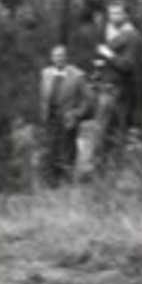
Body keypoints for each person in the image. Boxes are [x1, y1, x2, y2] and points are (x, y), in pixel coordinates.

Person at [90, 0, 142, 172]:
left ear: (127, 15)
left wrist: (108, 54)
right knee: (104, 129)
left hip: (119, 89)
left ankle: (109, 168)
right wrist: (99, 67)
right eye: (111, 13)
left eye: (118, 13)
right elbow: (108, 62)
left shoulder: (133, 36)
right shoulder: (112, 35)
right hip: (106, 86)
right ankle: (102, 169)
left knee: (112, 130)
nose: (113, 17)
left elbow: (128, 66)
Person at [38, 45, 91, 185]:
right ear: (51, 58)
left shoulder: (77, 75)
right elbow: (42, 97)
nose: (58, 59)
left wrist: (77, 114)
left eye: (61, 56)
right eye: (55, 56)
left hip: (68, 119)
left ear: (66, 57)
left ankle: (68, 184)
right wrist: (42, 113)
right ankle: (51, 185)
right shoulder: (46, 74)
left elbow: (88, 100)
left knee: (67, 152)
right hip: (50, 119)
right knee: (50, 151)